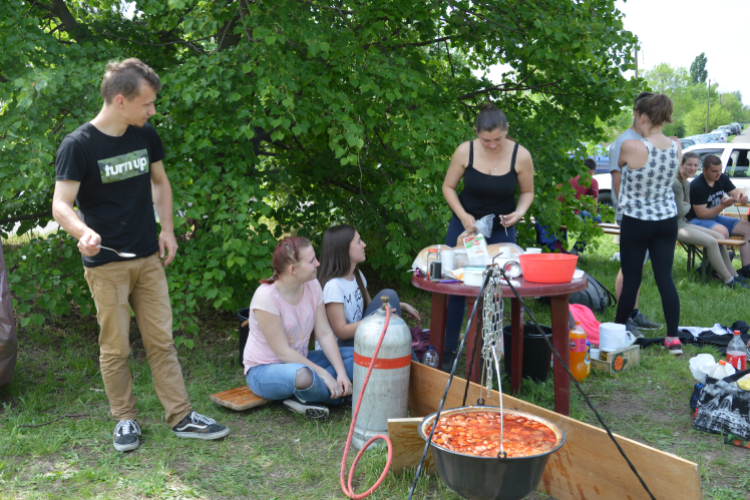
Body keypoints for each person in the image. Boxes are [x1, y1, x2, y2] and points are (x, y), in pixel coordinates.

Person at [51, 58, 229, 452]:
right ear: (120, 101)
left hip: (148, 258)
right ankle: (125, 420)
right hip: (106, 264)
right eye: (146, 104)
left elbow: (161, 183)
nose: (152, 111)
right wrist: (83, 232)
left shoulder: (144, 136)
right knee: (115, 347)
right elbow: (60, 205)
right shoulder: (78, 145)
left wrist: (167, 229)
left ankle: (181, 416)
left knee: (162, 341)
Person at [441, 103, 534, 367]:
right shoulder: (465, 151)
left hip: (501, 230)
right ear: (476, 133)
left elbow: (527, 192)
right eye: (486, 140)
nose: (492, 145)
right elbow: (448, 187)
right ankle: (449, 350)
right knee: (457, 286)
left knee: (498, 289)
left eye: (498, 139)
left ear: (507, 131)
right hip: (465, 227)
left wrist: (519, 212)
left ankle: (490, 351)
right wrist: (462, 215)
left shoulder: (521, 155)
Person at [244, 236, 353, 420]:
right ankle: (338, 398)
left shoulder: (313, 284)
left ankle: (310, 395)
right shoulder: (266, 298)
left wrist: (340, 372)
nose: (318, 263)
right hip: (265, 370)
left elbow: (325, 333)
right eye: (311, 261)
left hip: (301, 360)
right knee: (304, 376)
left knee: (357, 357)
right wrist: (324, 373)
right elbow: (283, 353)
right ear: (293, 270)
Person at [615, 92, 682, 355]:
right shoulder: (676, 146)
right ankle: (673, 338)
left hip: (637, 220)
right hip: (666, 220)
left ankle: (618, 333)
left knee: (632, 278)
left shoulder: (633, 147)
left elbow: (621, 165)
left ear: (643, 116)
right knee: (665, 278)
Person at [609, 92, 663, 336]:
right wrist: (630, 214)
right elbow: (618, 186)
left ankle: (633, 312)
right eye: (651, 116)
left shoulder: (648, 141)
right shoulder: (623, 142)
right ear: (639, 115)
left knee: (638, 267)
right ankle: (625, 318)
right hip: (631, 216)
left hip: (649, 216)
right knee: (630, 267)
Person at [317, 225, 421, 348]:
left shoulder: (357, 275)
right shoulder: (333, 286)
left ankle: (401, 356)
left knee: (390, 295)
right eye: (358, 242)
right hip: (339, 347)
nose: (364, 244)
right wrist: (378, 320)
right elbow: (341, 332)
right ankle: (408, 361)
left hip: (359, 333)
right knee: (385, 330)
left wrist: (400, 305)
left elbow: (371, 307)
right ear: (344, 250)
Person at [674, 153, 747, 288]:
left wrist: (742, 198)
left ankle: (740, 274)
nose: (718, 174)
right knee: (720, 234)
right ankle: (723, 275)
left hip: (695, 220)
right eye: (689, 165)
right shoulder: (693, 185)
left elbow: (736, 194)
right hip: (689, 221)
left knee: (742, 229)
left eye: (695, 165)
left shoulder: (686, 183)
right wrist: (722, 206)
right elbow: (696, 214)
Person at [536, 158, 601, 253]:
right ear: (591, 172)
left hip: (554, 212)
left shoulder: (567, 176)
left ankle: (561, 249)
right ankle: (576, 251)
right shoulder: (591, 180)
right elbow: (593, 210)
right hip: (569, 214)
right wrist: (584, 205)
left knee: (564, 215)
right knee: (597, 219)